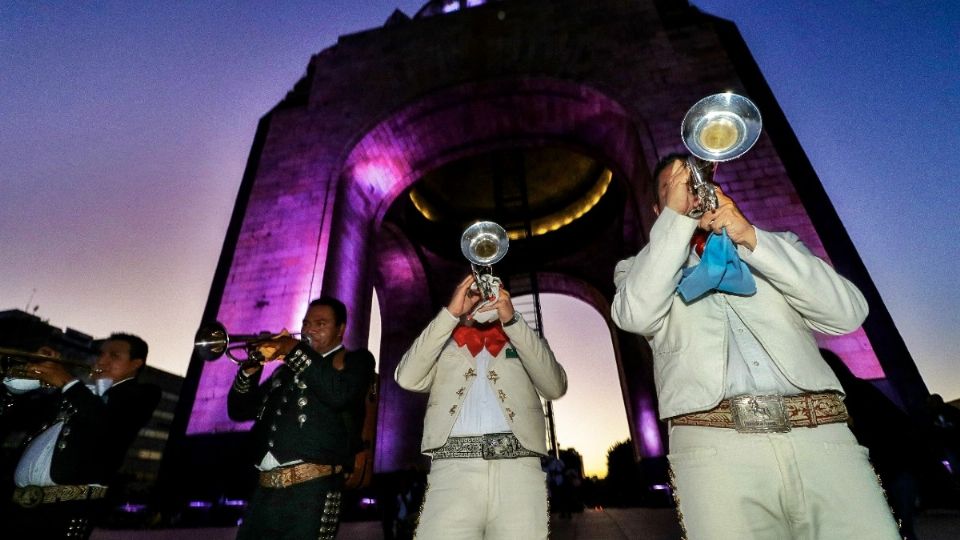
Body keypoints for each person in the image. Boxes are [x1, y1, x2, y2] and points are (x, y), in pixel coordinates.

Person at [611, 153, 901, 539]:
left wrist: (751, 237)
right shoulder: (636, 270)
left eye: (696, 182)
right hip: (715, 454)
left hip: (823, 440)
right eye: (675, 188)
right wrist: (677, 224)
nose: (691, 192)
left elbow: (846, 314)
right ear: (656, 208)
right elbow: (634, 315)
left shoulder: (779, 244)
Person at [395, 274, 567, 540]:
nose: (481, 297)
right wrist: (451, 314)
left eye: (490, 290)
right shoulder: (443, 344)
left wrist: (512, 321)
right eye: (475, 290)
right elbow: (406, 377)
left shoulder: (524, 341)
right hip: (452, 472)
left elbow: (555, 387)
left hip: (518, 472)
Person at [227, 296, 375, 540]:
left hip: (312, 493)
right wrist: (250, 368)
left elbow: (339, 394)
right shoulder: (284, 371)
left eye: (321, 324)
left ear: (341, 329)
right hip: (264, 492)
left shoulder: (357, 360)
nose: (309, 330)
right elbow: (239, 411)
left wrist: (293, 349)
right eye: (307, 323)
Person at [4, 333, 161, 539]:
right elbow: (15, 418)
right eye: (100, 354)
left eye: (113, 356)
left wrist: (66, 381)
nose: (101, 360)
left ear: (135, 364)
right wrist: (30, 375)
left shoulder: (143, 394)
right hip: (16, 509)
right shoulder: (73, 393)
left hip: (63, 515)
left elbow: (106, 424)